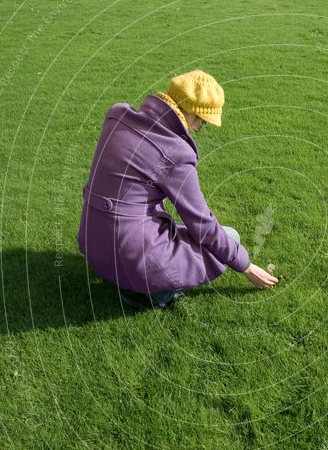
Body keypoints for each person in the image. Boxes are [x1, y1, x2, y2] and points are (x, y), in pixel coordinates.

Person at [77, 69, 278, 310]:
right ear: (190, 112)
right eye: (202, 121)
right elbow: (202, 224)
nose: (199, 129)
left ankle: (130, 276)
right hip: (131, 257)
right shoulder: (176, 153)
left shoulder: (117, 116)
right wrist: (245, 266)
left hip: (92, 243)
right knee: (231, 237)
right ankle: (152, 293)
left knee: (172, 233)